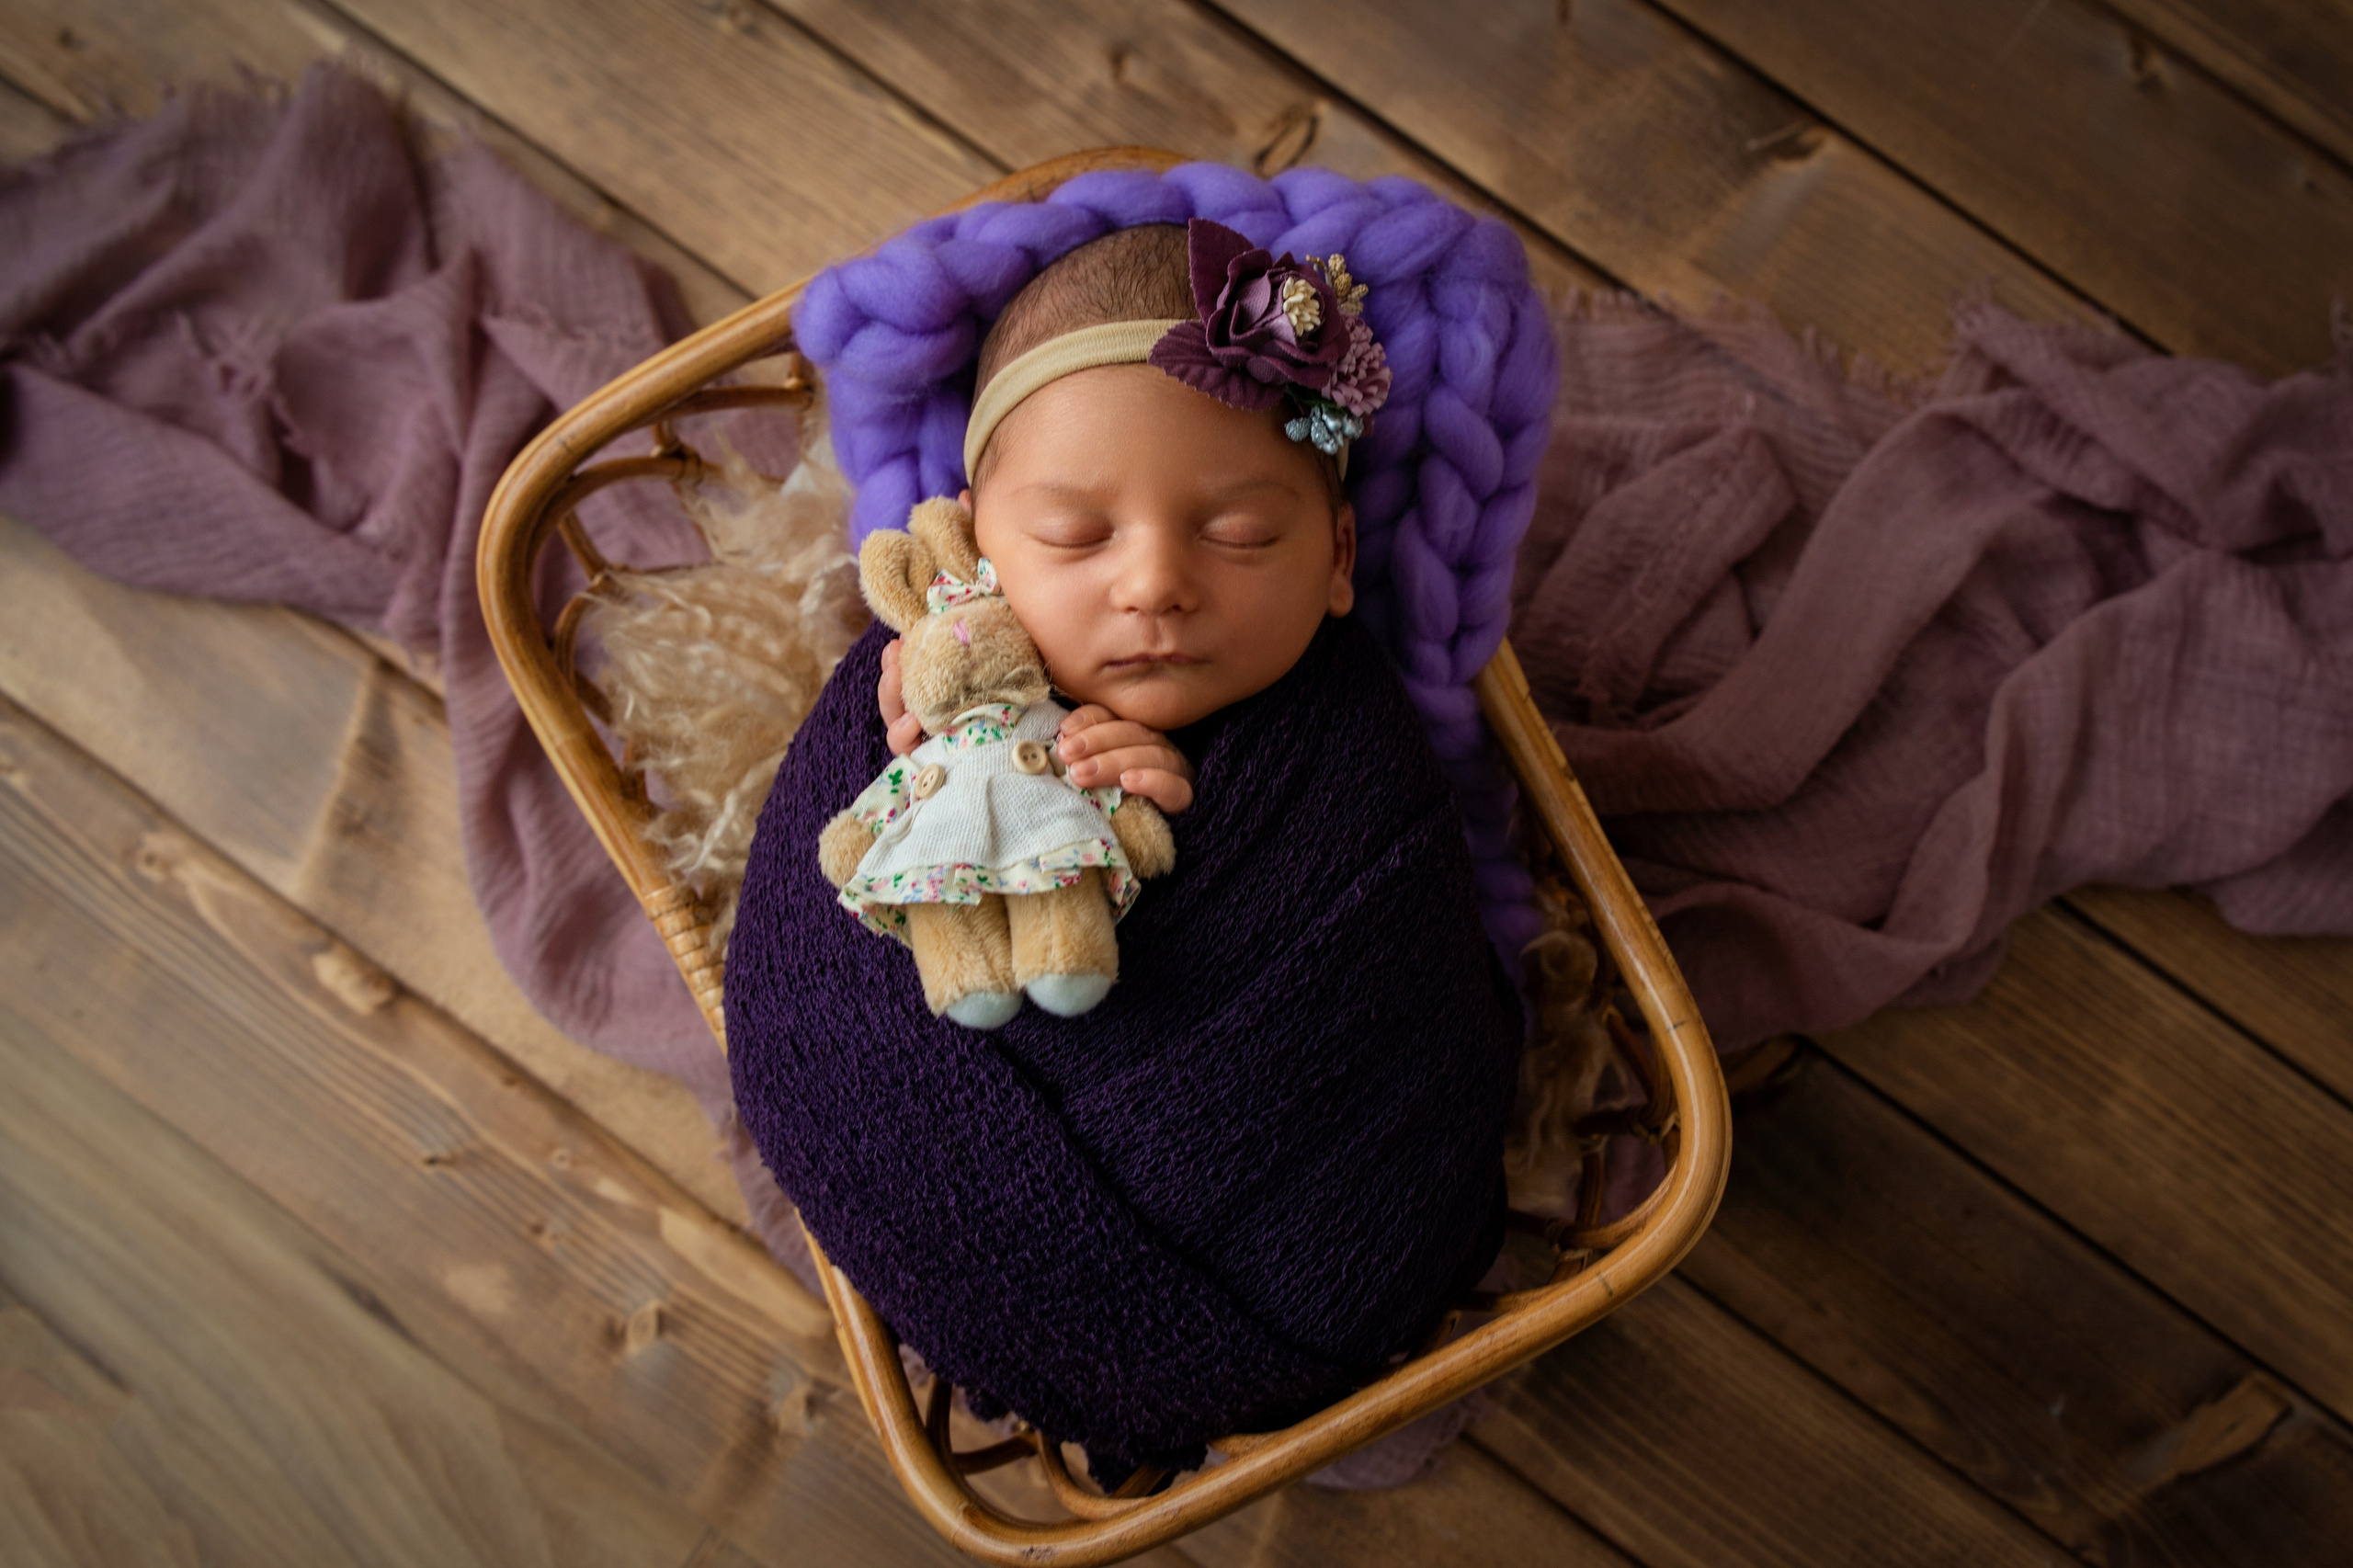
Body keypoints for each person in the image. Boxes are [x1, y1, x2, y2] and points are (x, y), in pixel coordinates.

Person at [870, 218, 1388, 817]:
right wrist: (933, 771)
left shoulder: (1360, 759)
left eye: (1239, 534)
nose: (1154, 586)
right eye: (1076, 536)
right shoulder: (910, 668)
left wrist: (1176, 836)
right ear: (970, 545)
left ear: (1339, 556)